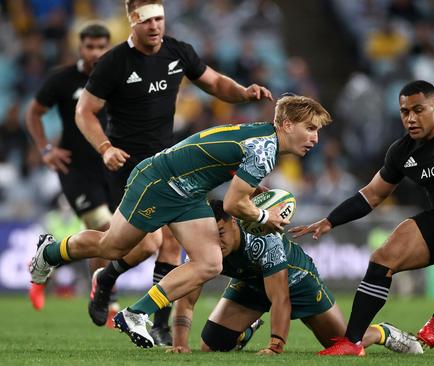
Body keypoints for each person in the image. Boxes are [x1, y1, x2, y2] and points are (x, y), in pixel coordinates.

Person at [29, 94, 332, 349]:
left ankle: (137, 313)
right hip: (159, 182)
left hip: (189, 192)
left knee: (210, 263)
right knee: (111, 247)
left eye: (317, 131)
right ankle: (49, 252)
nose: (315, 138)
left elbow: (222, 158)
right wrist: (265, 216)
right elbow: (232, 204)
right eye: (310, 128)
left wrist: (248, 187)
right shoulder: (264, 150)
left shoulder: (263, 137)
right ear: (287, 125)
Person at [75, 0, 272, 346]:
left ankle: (160, 324)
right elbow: (84, 111)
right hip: (128, 165)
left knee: (168, 242)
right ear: (133, 22)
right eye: (148, 20)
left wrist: (242, 93)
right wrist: (105, 149)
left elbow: (213, 82)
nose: (155, 26)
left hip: (169, 163)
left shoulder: (178, 52)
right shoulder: (114, 63)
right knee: (144, 242)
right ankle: (106, 277)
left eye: (160, 19)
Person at [291, 80, 434, 355]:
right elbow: (371, 195)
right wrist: (330, 220)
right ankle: (352, 341)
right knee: (382, 258)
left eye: (418, 110)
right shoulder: (402, 151)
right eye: (404, 112)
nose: (410, 118)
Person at [169, 199, 423, 355]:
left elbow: (281, 298)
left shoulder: (262, 239)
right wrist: (180, 343)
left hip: (295, 281)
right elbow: (186, 298)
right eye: (211, 235)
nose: (216, 241)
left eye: (221, 232)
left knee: (344, 345)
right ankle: (245, 331)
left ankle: (382, 332)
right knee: (211, 346)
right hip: (251, 283)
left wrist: (275, 344)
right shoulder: (204, 246)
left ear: (234, 222)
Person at [24, 23, 112, 314]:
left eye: (101, 47)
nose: (96, 53)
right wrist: (45, 149)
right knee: (103, 228)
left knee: (116, 237)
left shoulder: (119, 79)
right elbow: (34, 113)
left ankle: (46, 257)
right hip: (75, 169)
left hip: (112, 167)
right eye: (90, 47)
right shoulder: (63, 79)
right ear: (80, 48)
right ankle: (104, 297)